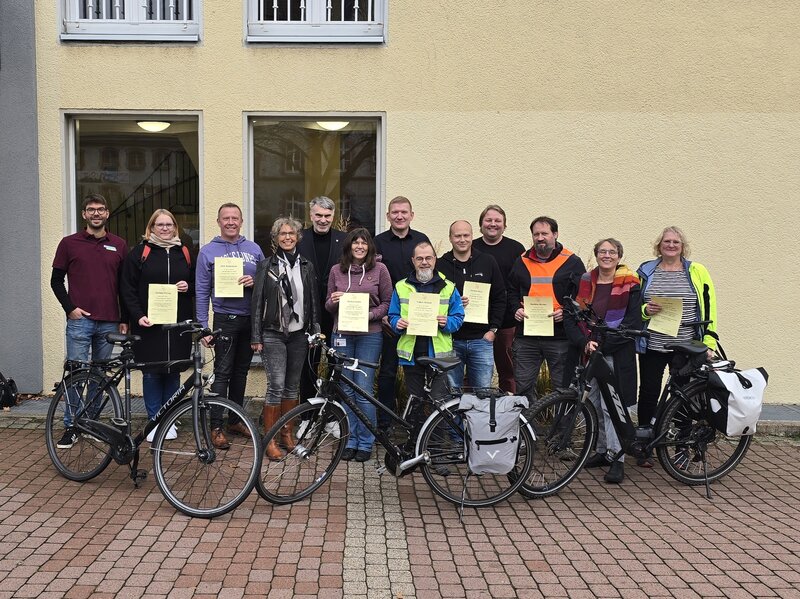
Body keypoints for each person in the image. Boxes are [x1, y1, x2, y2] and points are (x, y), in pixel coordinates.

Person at [50, 193, 128, 449]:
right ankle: (72, 426)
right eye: (91, 209)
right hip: (80, 321)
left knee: (99, 376)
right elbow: (56, 280)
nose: (96, 213)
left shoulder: (119, 244)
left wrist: (124, 318)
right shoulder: (69, 243)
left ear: (107, 214)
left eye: (101, 209)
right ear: (84, 214)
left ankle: (91, 423)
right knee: (77, 375)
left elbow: (125, 286)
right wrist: (70, 308)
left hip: (109, 322)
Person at [636, 226, 718, 467]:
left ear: (683, 247)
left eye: (675, 242)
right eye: (666, 242)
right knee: (649, 392)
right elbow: (636, 305)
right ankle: (645, 445)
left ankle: (682, 445)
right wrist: (645, 311)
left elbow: (710, 307)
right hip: (654, 342)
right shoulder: (646, 270)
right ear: (658, 245)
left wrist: (709, 342)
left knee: (682, 396)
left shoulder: (696, 271)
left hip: (685, 346)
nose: (671, 245)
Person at [565, 238, 642, 484]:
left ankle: (617, 458)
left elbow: (633, 324)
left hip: (615, 355)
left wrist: (602, 346)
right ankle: (600, 450)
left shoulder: (631, 285)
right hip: (589, 352)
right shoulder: (585, 281)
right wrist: (584, 342)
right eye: (602, 251)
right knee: (594, 405)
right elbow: (574, 317)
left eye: (612, 252)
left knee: (613, 408)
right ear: (596, 254)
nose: (606, 255)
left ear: (619, 256)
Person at [120, 209, 194, 442]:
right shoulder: (140, 252)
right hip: (148, 324)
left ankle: (168, 418)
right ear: (151, 228)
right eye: (159, 224)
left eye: (169, 224)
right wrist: (137, 315)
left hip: (176, 324)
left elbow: (196, 283)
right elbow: (127, 288)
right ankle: (154, 420)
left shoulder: (184, 252)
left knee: (173, 371)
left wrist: (187, 286)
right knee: (152, 372)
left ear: (175, 227)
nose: (164, 228)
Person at [195, 203, 265, 450]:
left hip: (250, 320)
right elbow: (202, 291)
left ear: (242, 220)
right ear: (218, 221)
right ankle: (216, 426)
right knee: (222, 374)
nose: (231, 222)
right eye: (226, 218)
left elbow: (267, 283)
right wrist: (203, 326)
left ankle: (235, 420)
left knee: (241, 373)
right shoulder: (208, 252)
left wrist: (255, 280)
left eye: (235, 218)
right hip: (225, 319)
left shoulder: (254, 249)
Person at [251, 217, 320, 460]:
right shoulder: (266, 266)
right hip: (272, 334)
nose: (287, 237)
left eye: (292, 233)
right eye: (283, 234)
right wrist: (256, 335)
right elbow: (257, 302)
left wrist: (315, 329)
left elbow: (313, 300)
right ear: (276, 238)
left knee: (293, 386)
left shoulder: (306, 266)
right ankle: (269, 440)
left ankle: (287, 434)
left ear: (298, 237)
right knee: (276, 386)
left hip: (300, 335)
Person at [325, 228, 392, 462]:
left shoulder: (380, 270)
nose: (360, 247)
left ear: (369, 246)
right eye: (356, 243)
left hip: (369, 336)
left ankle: (365, 442)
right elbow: (328, 306)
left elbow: (388, 303)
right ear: (349, 246)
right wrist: (333, 302)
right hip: (342, 334)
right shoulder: (336, 270)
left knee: (363, 389)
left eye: (364, 243)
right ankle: (350, 439)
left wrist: (370, 316)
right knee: (346, 391)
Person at [508, 216, 585, 401]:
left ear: (555, 234)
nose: (540, 238)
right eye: (536, 234)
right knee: (523, 386)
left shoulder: (572, 262)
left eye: (545, 233)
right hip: (527, 337)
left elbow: (582, 296)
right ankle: (527, 429)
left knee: (562, 387)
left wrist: (565, 313)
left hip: (560, 337)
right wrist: (514, 310)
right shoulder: (521, 261)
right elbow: (510, 291)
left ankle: (561, 429)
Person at [373, 196, 431, 425]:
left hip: (418, 322)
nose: (399, 216)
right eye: (395, 212)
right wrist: (385, 314)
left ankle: (419, 423)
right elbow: (372, 280)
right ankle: (385, 423)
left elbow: (429, 277)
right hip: (389, 320)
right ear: (388, 216)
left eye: (404, 212)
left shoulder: (421, 240)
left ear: (411, 215)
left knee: (418, 374)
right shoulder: (377, 243)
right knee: (387, 372)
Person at [387, 241, 464, 404]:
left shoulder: (448, 287)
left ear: (435, 259)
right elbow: (392, 315)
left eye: (428, 258)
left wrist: (447, 322)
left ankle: (437, 431)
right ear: (413, 260)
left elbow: (458, 317)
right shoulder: (401, 286)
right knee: (415, 401)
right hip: (412, 354)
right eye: (420, 258)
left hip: (438, 356)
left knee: (439, 401)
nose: (424, 262)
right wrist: (397, 323)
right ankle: (416, 430)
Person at [438, 220, 506, 390]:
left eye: (466, 235)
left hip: (481, 339)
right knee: (452, 393)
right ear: (450, 238)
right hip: (451, 339)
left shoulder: (487, 261)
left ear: (472, 236)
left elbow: (499, 297)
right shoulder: (440, 265)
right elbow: (432, 300)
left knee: (483, 392)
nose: (462, 239)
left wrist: (493, 330)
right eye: (457, 236)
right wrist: (453, 304)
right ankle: (456, 419)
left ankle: (479, 419)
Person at [296, 196, 346, 402]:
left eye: (327, 215)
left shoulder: (345, 240)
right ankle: (308, 414)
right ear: (311, 215)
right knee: (309, 363)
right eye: (318, 215)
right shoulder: (299, 238)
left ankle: (331, 412)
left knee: (337, 363)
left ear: (333, 216)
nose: (323, 220)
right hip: (308, 313)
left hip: (337, 313)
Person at [472, 205, 525, 393]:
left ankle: (509, 412)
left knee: (508, 371)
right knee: (473, 371)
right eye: (488, 220)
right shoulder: (471, 247)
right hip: (476, 321)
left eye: (497, 221)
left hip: (508, 322)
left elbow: (522, 283)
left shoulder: (516, 249)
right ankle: (472, 413)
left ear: (505, 225)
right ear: (480, 225)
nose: (492, 224)